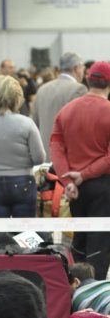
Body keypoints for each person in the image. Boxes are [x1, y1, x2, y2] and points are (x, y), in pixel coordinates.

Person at [50, 61, 110, 280]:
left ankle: (74, 289)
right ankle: (94, 300)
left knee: (80, 241)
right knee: (100, 244)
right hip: (103, 186)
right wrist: (84, 175)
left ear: (87, 79)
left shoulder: (67, 110)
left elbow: (55, 146)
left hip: (75, 189)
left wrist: (68, 181)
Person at [0, 75, 45, 219]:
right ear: (17, 97)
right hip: (23, 181)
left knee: (0, 235)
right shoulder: (27, 123)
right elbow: (39, 158)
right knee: (25, 233)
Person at [32, 52, 87, 160]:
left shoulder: (42, 89)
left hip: (45, 157)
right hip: (67, 158)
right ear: (77, 68)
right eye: (83, 68)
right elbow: (81, 127)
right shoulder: (79, 89)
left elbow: (34, 124)